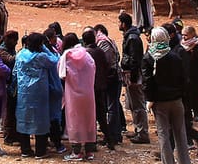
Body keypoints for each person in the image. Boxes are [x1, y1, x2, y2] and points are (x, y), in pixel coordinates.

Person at [144, 26, 191, 164]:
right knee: (180, 134)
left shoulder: (149, 57)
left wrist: (150, 99)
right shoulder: (175, 56)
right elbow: (183, 79)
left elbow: (147, 82)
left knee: (163, 134)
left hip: (159, 102)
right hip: (176, 100)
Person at [15, 31, 56, 157]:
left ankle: (25, 149)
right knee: (41, 120)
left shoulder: (20, 55)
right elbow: (55, 60)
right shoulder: (41, 57)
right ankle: (40, 151)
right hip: (39, 92)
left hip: (23, 92)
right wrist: (45, 48)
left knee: (24, 118)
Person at [59, 32, 98, 161]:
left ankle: (76, 152)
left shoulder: (66, 56)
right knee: (88, 120)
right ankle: (89, 152)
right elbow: (93, 70)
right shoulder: (87, 55)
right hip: (88, 93)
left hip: (73, 95)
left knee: (74, 121)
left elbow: (61, 74)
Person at [85, 26, 122, 150]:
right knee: (102, 114)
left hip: (93, 88)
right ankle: (110, 139)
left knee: (94, 114)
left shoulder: (87, 53)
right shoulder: (100, 50)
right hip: (101, 86)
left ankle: (93, 142)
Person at [119, 12, 150, 144]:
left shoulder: (132, 38)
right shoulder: (131, 36)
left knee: (137, 105)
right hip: (131, 75)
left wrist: (132, 78)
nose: (118, 25)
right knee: (133, 104)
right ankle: (138, 130)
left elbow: (135, 59)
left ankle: (142, 133)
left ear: (124, 24)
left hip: (133, 75)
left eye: (119, 22)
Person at [0, 29, 21, 147]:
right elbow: (11, 60)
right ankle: (8, 136)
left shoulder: (9, 48)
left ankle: (14, 134)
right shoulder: (2, 50)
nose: (16, 43)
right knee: (8, 112)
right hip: (6, 84)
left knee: (12, 111)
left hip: (11, 83)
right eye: (14, 40)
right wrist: (23, 53)